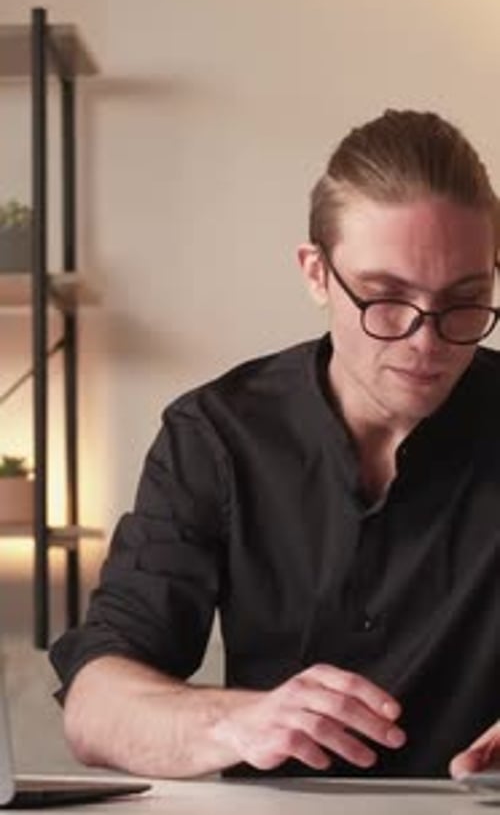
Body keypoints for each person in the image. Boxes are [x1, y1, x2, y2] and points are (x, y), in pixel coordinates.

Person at [50, 109, 500, 781]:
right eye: (385, 297)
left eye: (466, 299)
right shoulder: (216, 435)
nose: (425, 340)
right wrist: (234, 720)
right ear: (316, 273)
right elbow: (97, 704)